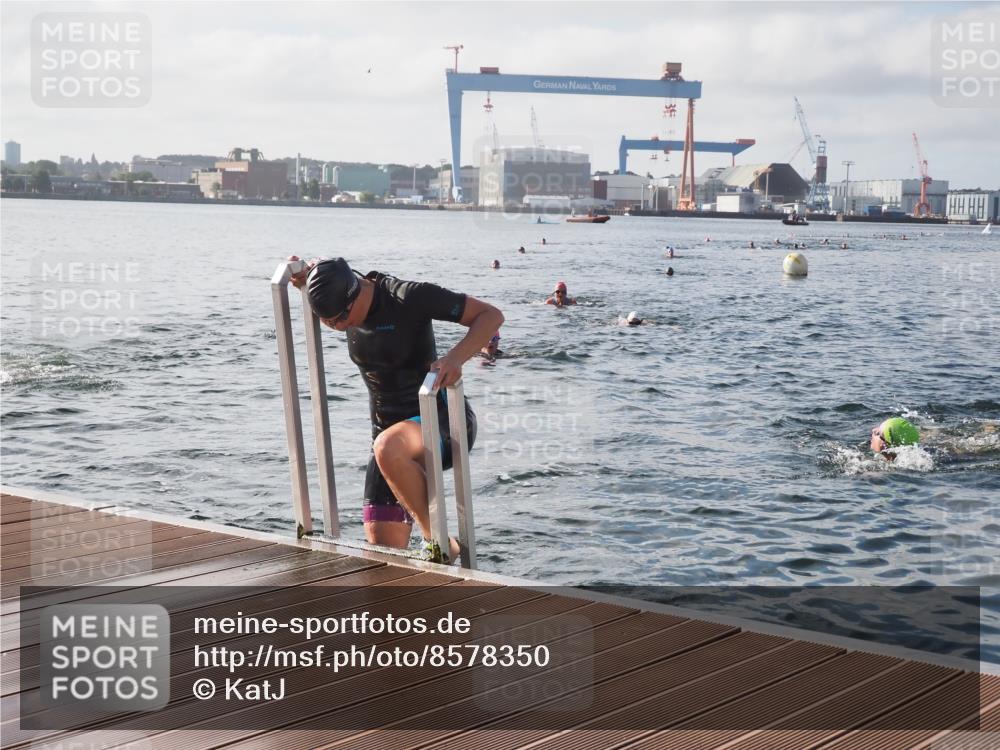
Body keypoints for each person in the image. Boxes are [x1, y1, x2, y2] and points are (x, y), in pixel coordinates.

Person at [289, 256, 504, 563]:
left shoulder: (407, 297)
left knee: (387, 447)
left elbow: (490, 315)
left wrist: (456, 357)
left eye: (338, 320)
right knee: (382, 560)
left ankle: (440, 542)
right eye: (326, 322)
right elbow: (325, 279)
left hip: (440, 421)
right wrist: (305, 281)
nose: (336, 327)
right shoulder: (339, 292)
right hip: (387, 445)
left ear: (356, 294)